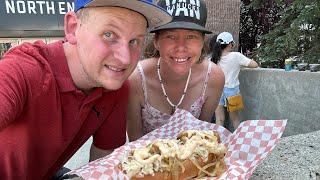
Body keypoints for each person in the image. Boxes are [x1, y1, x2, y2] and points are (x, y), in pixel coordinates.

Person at [0, 0, 172, 179]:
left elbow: (100, 167)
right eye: (109, 34)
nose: (125, 59)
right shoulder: (23, 70)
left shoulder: (115, 86)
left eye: (134, 41)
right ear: (73, 28)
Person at [127, 0, 225, 141]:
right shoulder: (136, 78)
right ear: (156, 41)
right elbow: (134, 142)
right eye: (170, 36)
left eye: (191, 36)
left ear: (202, 42)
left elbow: (201, 138)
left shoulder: (213, 77)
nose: (181, 47)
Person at [210, 32, 259, 129]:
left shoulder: (214, 57)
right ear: (229, 44)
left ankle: (219, 141)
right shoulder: (236, 56)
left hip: (217, 90)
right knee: (235, 119)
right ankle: (239, 142)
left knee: (219, 119)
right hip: (231, 91)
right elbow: (254, 65)